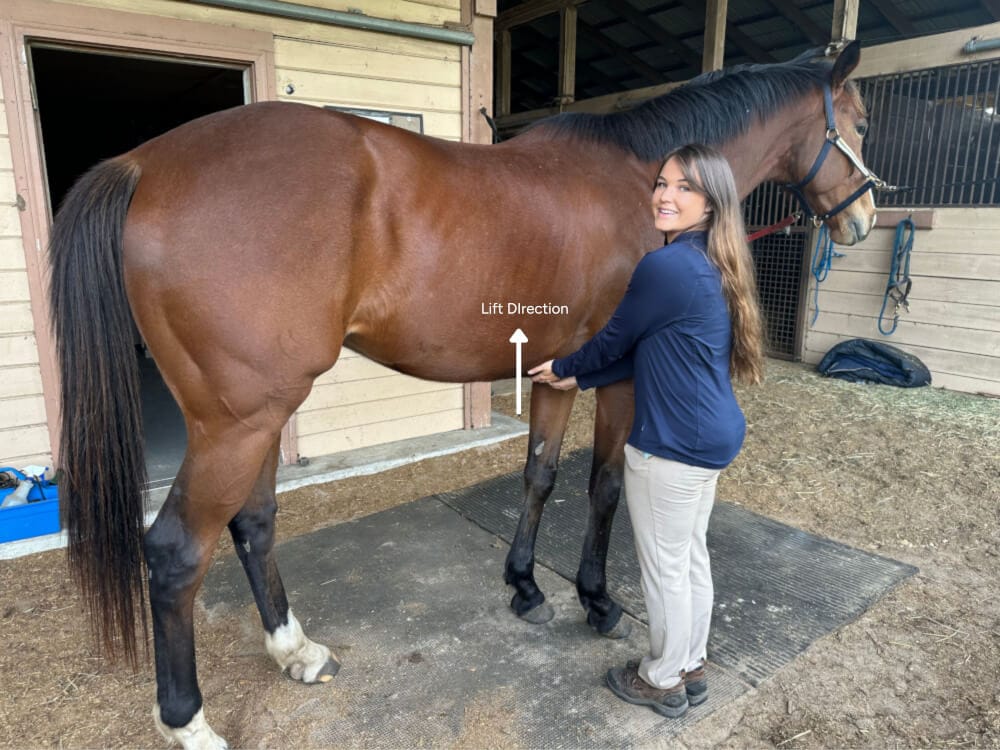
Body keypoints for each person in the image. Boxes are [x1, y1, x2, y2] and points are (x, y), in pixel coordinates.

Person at [528, 143, 764, 719]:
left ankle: (662, 678)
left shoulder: (665, 266)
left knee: (665, 570)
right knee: (689, 557)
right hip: (713, 436)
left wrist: (564, 365)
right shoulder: (712, 261)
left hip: (672, 446)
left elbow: (614, 340)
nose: (665, 195)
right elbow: (647, 350)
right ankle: (692, 664)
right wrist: (581, 381)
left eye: (685, 187)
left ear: (711, 202)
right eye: (662, 183)